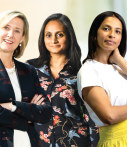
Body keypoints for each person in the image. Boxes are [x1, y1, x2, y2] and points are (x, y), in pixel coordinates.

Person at [77, 11, 127, 147]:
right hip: (116, 141)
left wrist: (119, 60)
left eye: (118, 31)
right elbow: (109, 116)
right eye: (106, 29)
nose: (112, 34)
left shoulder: (120, 68)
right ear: (95, 35)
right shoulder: (88, 71)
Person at [27, 13, 99, 147]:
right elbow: (16, 109)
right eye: (48, 35)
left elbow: (92, 117)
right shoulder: (30, 69)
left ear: (69, 37)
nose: (53, 40)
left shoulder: (81, 72)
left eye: (59, 35)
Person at [0, 10, 52, 147]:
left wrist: (12, 106)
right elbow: (35, 113)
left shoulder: (28, 71)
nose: (10, 35)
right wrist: (27, 115)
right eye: (6, 27)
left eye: (17, 31)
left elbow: (46, 112)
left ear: (22, 37)